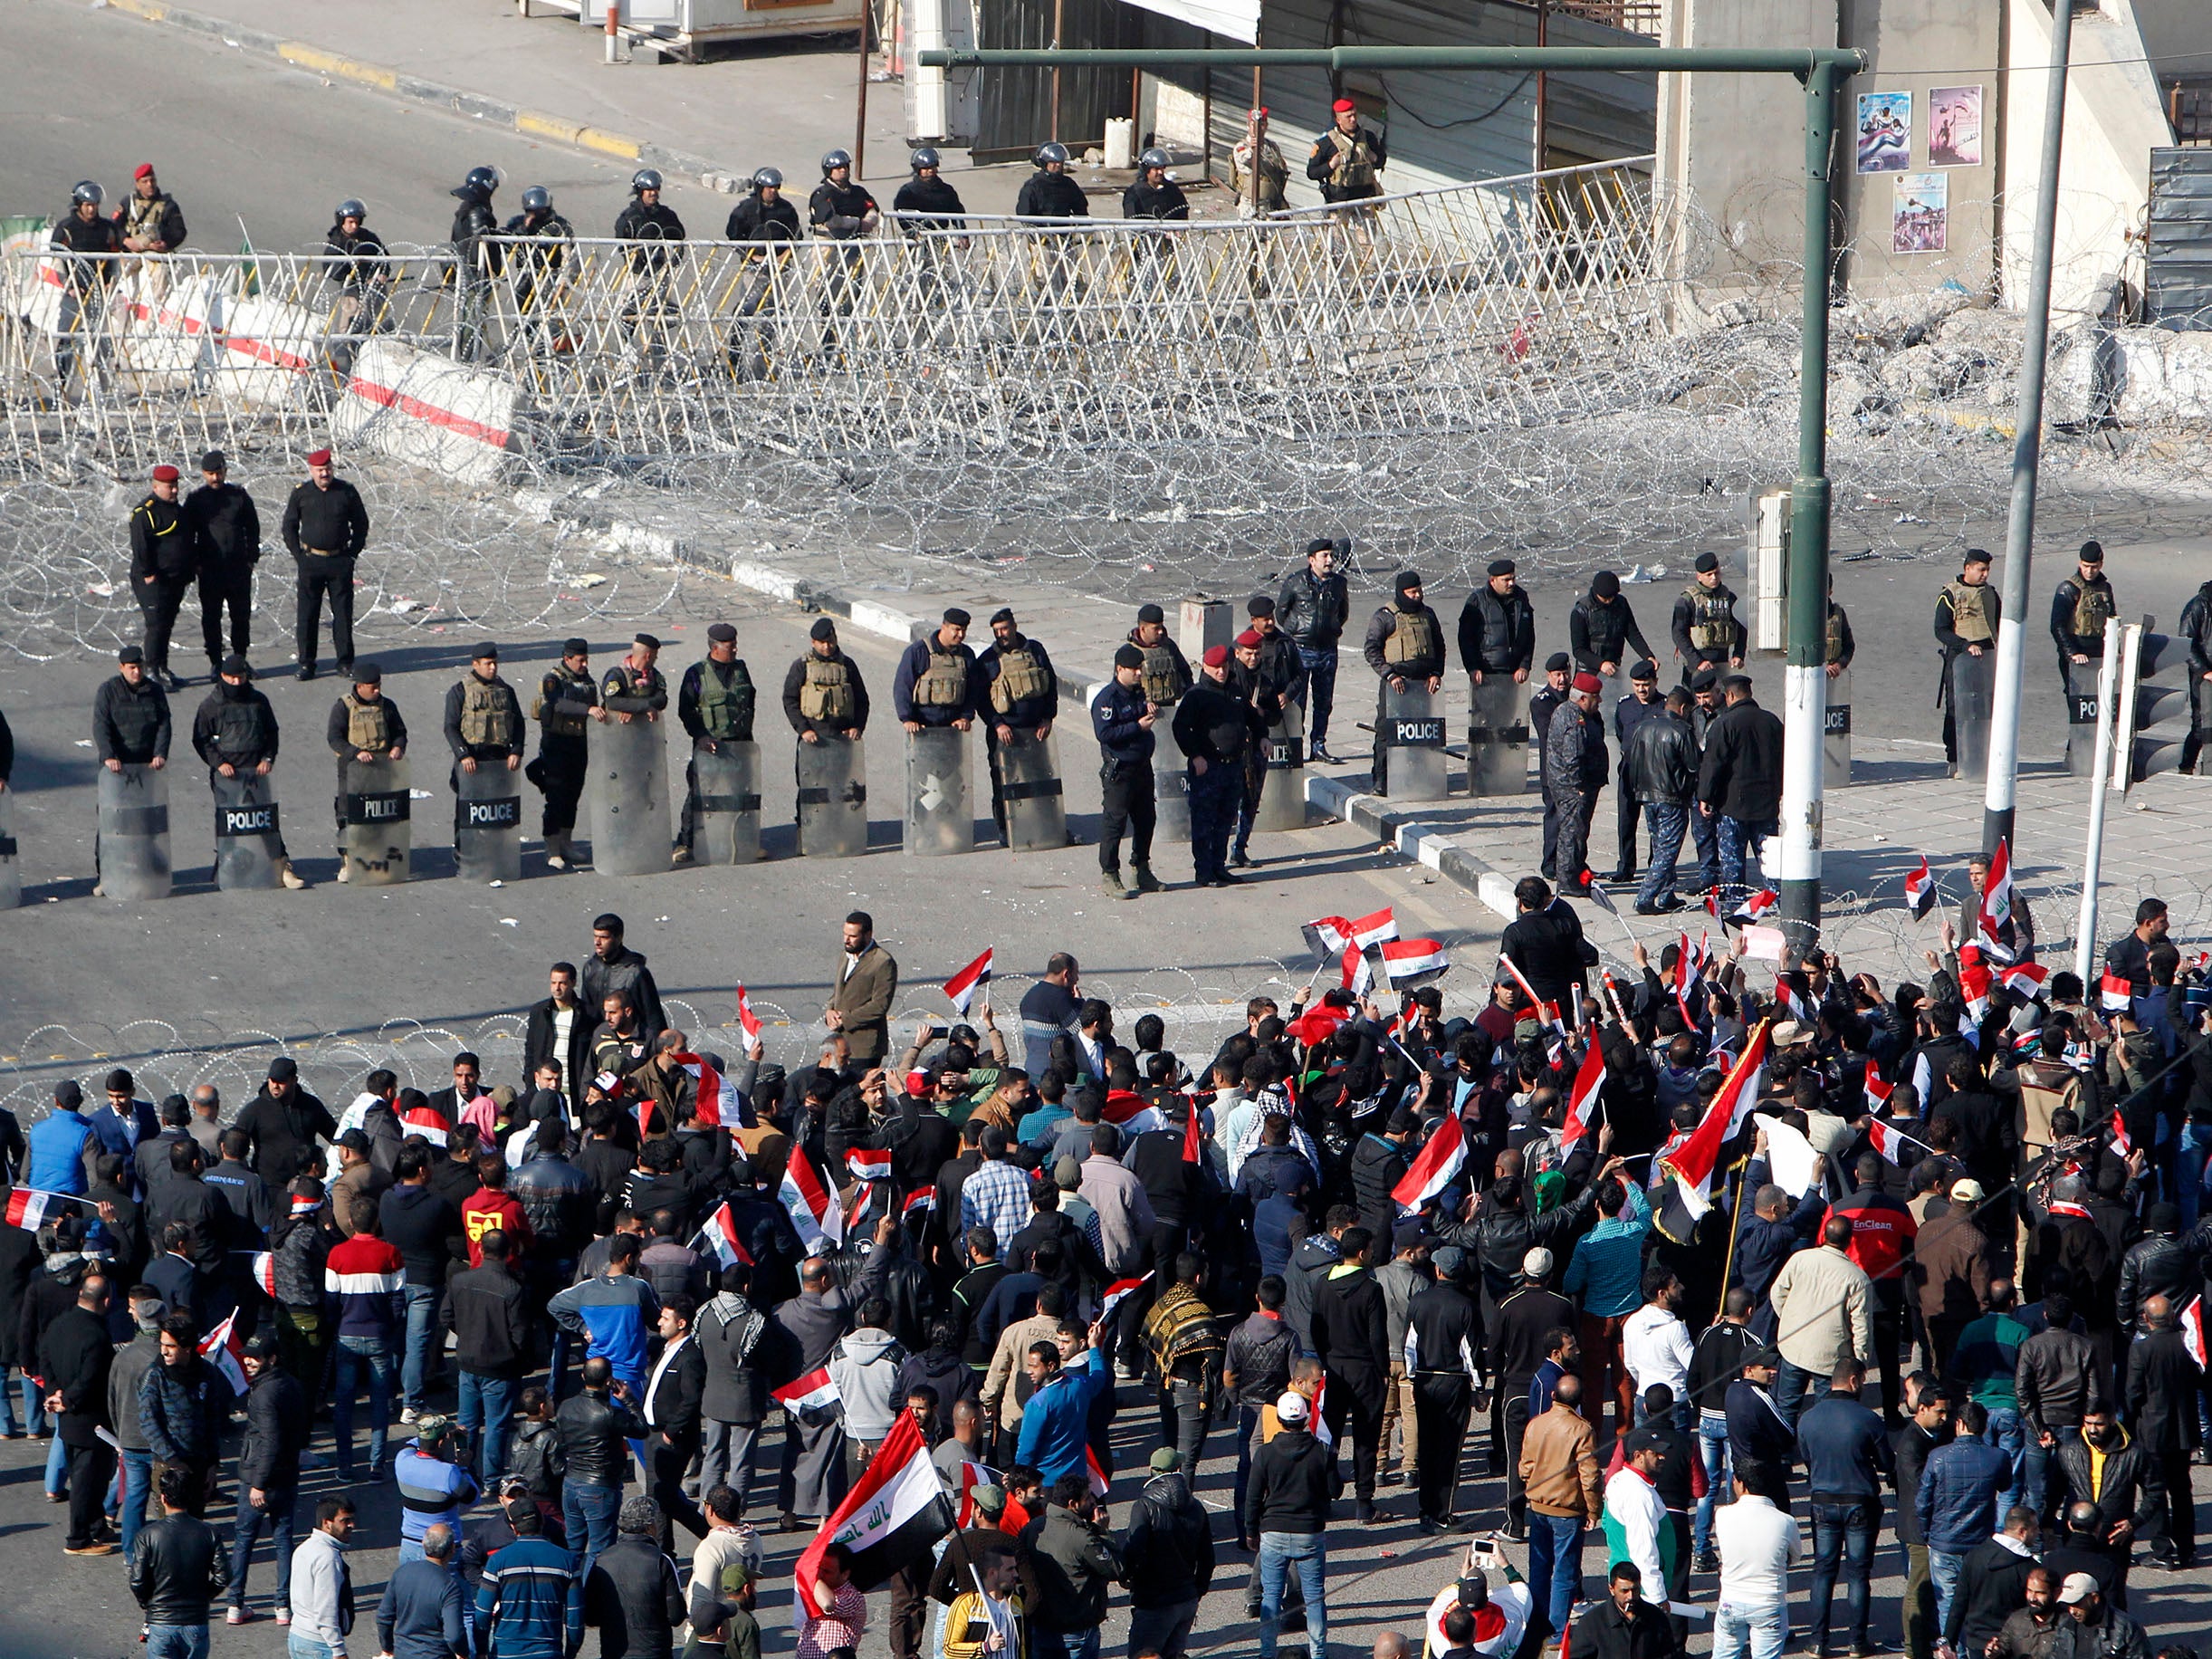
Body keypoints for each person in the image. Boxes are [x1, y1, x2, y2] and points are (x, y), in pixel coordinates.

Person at [1795, 1360, 1892, 1656]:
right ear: (1853, 1381)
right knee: (1858, 1573)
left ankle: (1817, 1641)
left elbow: (1808, 1460)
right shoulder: (1868, 1419)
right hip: (1860, 1501)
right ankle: (1856, 1641)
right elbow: (1886, 1464)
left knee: (1823, 1570)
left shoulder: (1808, 1419)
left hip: (1823, 1501)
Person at [194, 654, 307, 887]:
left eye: (241, 677)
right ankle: (225, 867)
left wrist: (268, 758)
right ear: (223, 676)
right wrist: (219, 763)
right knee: (229, 824)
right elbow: (201, 740)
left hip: (257, 773)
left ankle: (281, 866)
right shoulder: (211, 705)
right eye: (232, 678)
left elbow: (271, 732)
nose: (236, 682)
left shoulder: (258, 701)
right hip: (228, 776)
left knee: (266, 823)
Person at [1249, 1388, 1338, 1659]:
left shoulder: (1265, 1453)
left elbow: (1252, 1497)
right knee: (1313, 1598)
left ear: (1279, 1419)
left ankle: (1267, 1653)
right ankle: (1318, 1653)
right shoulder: (1320, 1451)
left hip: (1274, 1531)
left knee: (1271, 1597)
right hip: (1309, 1532)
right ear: (1305, 1418)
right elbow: (1335, 1490)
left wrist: (1251, 1530)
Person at [1173, 642, 1271, 887]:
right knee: (1204, 821)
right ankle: (1204, 871)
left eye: (1224, 667)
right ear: (1205, 667)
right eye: (1216, 668)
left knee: (1226, 820)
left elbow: (1252, 717)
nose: (1221, 672)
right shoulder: (1197, 695)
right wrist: (1195, 755)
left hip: (1233, 766)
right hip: (1209, 767)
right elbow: (1181, 728)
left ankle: (1219, 866)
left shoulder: (1235, 691)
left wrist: (1263, 737)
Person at [228, 1331, 310, 1625]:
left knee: (244, 1539)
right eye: (247, 1356)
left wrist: (258, 1483)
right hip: (287, 1475)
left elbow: (270, 1440)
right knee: (283, 1539)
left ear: (271, 1359)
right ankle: (283, 1606)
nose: (248, 1361)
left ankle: (236, 1603)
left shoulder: (263, 1394)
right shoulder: (292, 1385)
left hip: (259, 1480)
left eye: (255, 1357)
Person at [1405, 1245, 1480, 1533]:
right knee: (1449, 1449)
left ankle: (1425, 1509)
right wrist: (1479, 1387)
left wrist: (1414, 1378)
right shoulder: (1465, 1306)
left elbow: (1409, 1345)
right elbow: (1471, 1352)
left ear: (1438, 1270)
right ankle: (1443, 1511)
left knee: (1427, 1445)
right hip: (1453, 1380)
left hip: (1425, 1379)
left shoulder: (1419, 1301)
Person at [1521, 1371, 1604, 1634]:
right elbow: (1589, 1475)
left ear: (1554, 1396)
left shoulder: (1536, 1424)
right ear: (1579, 1400)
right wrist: (1593, 1509)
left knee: (1539, 1568)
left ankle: (1536, 1623)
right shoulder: (1582, 1429)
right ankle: (1556, 1630)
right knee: (1565, 1572)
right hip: (1568, 1509)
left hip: (1537, 1505)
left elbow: (1524, 1467)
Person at [91, 644, 174, 897]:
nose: (136, 673)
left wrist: (160, 754)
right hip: (117, 770)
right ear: (122, 668)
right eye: (131, 668)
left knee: (146, 822)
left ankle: (147, 869)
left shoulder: (155, 692)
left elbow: (164, 724)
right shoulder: (109, 691)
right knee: (113, 822)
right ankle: (106, 874)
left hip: (146, 768)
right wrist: (109, 756)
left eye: (140, 668)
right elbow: (101, 726)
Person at [43, 1271, 116, 1555]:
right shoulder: (97, 1334)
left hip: (67, 1415)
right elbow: (91, 1377)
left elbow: (45, 1357)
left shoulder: (59, 1324)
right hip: (90, 1418)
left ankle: (97, 1526)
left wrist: (54, 1393)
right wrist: (68, 1399)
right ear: (106, 1301)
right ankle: (78, 1538)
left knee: (89, 1476)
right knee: (87, 1480)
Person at [280, 449, 369, 682]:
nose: (324, 473)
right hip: (311, 562)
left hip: (339, 560)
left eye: (327, 468)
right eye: (319, 470)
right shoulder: (302, 494)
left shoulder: (346, 492)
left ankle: (345, 662)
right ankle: (306, 663)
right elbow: (289, 525)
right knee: (307, 615)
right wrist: (299, 555)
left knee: (342, 614)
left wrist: (352, 554)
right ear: (311, 471)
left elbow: (361, 523)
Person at [1696, 675, 1785, 906]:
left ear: (1731, 696)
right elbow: (1783, 760)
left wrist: (1705, 796)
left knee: (1733, 862)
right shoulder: (1772, 722)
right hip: (1766, 803)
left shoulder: (1725, 724)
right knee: (1770, 858)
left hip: (1733, 805)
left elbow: (1713, 763)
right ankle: (1779, 901)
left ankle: (1735, 904)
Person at [2122, 1293, 2197, 1568]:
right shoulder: (2185, 1343)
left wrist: (2129, 1423)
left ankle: (2162, 1550)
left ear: (2145, 1318)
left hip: (2152, 1429)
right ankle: (2187, 1548)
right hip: (2182, 1429)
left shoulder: (2142, 1350)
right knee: (2182, 1490)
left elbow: (2133, 1392)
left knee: (2155, 1491)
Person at [673, 623, 757, 865]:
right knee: (700, 794)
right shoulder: (696, 674)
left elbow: (748, 702)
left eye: (735, 645)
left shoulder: (741, 670)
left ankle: (743, 841)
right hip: (710, 745)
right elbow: (685, 710)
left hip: (739, 743)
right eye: (730, 647)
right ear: (715, 648)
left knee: (742, 794)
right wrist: (700, 736)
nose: (735, 650)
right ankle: (686, 843)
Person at [132, 1463, 230, 1659]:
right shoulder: (209, 1532)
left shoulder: (148, 1535)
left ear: (163, 1498)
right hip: (196, 1621)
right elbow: (223, 1576)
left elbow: (137, 1581)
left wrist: (149, 1603)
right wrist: (203, 1597)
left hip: (161, 1622)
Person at [1363, 571, 1446, 795]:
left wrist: (1437, 673)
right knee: (1386, 731)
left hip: (1424, 685)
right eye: (1412, 592)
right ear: (1401, 593)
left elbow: (1439, 647)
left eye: (1419, 591)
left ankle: (1420, 776)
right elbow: (1371, 649)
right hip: (1396, 685)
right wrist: (1389, 674)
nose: (1417, 596)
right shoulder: (1385, 616)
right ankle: (1382, 780)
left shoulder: (1428, 614)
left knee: (1423, 732)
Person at [478, 1494, 587, 1659]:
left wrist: (481, 1651)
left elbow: (482, 1614)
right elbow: (575, 1618)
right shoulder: (568, 1561)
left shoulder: (497, 1561)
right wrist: (570, 1652)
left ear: (514, 1528)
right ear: (542, 1522)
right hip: (549, 1652)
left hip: (506, 1652)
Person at [324, 662, 407, 878]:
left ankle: (378, 859)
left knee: (380, 815)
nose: (377, 690)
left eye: (379, 685)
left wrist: (398, 747)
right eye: (373, 687)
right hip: (353, 770)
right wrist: (355, 752)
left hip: (381, 769)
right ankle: (348, 860)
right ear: (359, 686)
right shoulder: (344, 706)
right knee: (348, 814)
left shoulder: (387, 706)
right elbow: (335, 738)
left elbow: (399, 731)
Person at [1622, 686, 1698, 915]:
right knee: (1667, 850)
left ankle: (1666, 894)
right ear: (1683, 709)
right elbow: (1694, 766)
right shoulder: (1681, 731)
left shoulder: (1643, 727)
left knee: (1659, 844)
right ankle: (1646, 897)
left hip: (1647, 796)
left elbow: (1631, 761)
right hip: (1671, 797)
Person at [1094, 645, 1162, 899]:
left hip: (1143, 768)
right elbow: (1105, 734)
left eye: (1140, 668)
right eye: (1133, 669)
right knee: (1115, 823)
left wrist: (1151, 711)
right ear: (1119, 669)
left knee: (1146, 820)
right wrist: (1137, 727)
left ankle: (1141, 868)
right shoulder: (1107, 699)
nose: (1138, 673)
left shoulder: (1138, 693)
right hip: (1120, 770)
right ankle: (1110, 874)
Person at [582, 1497, 687, 1659]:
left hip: (614, 1651)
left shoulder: (601, 1560)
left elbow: (590, 1616)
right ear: (651, 1526)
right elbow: (676, 1616)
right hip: (654, 1651)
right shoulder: (661, 1561)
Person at [527, 638, 598, 869]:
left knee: (573, 796)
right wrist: (587, 709)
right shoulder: (553, 680)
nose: (584, 664)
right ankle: (552, 847)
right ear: (567, 659)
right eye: (580, 660)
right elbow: (558, 704)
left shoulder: (587, 682)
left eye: (586, 659)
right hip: (556, 743)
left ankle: (566, 842)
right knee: (556, 797)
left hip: (579, 744)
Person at [47, 180, 124, 390]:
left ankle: (104, 388)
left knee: (101, 341)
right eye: (88, 205)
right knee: (68, 339)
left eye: (95, 205)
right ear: (79, 205)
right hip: (74, 295)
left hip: (99, 293)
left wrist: (111, 282)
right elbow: (57, 260)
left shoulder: (107, 229)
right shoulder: (67, 228)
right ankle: (61, 386)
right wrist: (69, 286)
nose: (92, 210)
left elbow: (115, 257)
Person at [1712, 1478, 1801, 1659]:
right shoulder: (1786, 1521)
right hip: (1768, 1604)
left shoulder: (1723, 1515)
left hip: (1731, 1601)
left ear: (1742, 1484)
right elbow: (1796, 1555)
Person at [129, 462, 195, 690]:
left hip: (175, 578)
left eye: (176, 486)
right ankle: (151, 670)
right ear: (156, 487)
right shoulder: (145, 513)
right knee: (156, 625)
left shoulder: (179, 510)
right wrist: (148, 573)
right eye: (169, 487)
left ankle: (163, 668)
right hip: (153, 579)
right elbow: (140, 547)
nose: (174, 490)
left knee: (166, 624)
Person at [1934, 550, 1999, 775]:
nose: (1985, 574)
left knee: (1984, 709)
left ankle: (1981, 756)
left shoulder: (1990, 593)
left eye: (1987, 570)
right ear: (1967, 569)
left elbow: (1998, 623)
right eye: (1981, 569)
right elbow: (1940, 630)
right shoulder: (1950, 594)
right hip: (1960, 659)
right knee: (1958, 709)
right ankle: (1955, 757)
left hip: (1986, 658)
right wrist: (1964, 645)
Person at [1945, 1506, 2042, 1656]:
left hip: (1976, 1642)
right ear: (2022, 1532)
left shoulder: (1975, 1556)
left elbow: (1959, 1601)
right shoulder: (2029, 1570)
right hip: (2011, 1645)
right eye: (2035, 1529)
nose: (2038, 1533)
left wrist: (1948, 1641)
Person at [1543, 673, 1607, 892]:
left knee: (1577, 831)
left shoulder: (1566, 711)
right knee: (1573, 833)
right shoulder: (1575, 720)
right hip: (1573, 788)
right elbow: (1573, 756)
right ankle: (1569, 881)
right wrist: (1578, 787)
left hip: (1567, 784)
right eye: (1595, 697)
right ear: (1582, 699)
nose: (1599, 701)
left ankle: (1578, 870)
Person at [377, 1521, 467, 1659]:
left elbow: (384, 1617)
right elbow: (453, 1635)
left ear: (424, 1544)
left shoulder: (402, 1572)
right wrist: (463, 1653)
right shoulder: (449, 1587)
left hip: (403, 1653)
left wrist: (387, 1648)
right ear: (452, 1549)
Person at [826, 911, 899, 1068]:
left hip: (864, 1049)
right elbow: (840, 991)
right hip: (839, 1044)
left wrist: (845, 1020)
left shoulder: (882, 962)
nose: (846, 940)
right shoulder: (845, 956)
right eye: (844, 934)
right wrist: (830, 1010)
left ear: (868, 935)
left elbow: (880, 1005)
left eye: (853, 936)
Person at [290, 1496, 359, 1659]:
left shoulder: (305, 1548)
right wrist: (338, 1650)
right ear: (326, 1523)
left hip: (298, 1637)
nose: (352, 1525)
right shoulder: (328, 1557)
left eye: (352, 1520)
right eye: (345, 1520)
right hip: (319, 1644)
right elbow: (326, 1609)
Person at [1459, 559, 1537, 703]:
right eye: (1506, 580)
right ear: (1493, 581)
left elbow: (1529, 636)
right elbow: (1466, 639)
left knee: (1511, 720)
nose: (1511, 583)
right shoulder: (1478, 601)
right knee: (1486, 721)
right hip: (1487, 674)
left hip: (1514, 675)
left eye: (1513, 578)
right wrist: (1473, 667)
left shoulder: (1521, 598)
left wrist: (1525, 665)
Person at [2049, 543, 2118, 699]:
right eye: (2085, 566)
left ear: (2101, 565)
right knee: (2077, 698)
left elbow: (2112, 620)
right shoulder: (2068, 588)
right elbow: (2057, 625)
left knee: (2102, 698)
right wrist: (2072, 653)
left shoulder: (2105, 588)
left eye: (2094, 567)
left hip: (2099, 653)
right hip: (2077, 650)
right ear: (2080, 563)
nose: (2089, 571)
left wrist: (2115, 649)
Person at [1567, 1561, 1677, 1659]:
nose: (1631, 1596)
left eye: (1635, 1589)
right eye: (1624, 1591)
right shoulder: (1592, 1623)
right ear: (1612, 1589)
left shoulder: (1656, 1618)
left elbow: (1668, 1654)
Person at [1307, 98, 1387, 219]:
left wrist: (1374, 158)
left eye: (1354, 115)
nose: (1353, 119)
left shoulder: (1368, 137)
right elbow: (1312, 172)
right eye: (1348, 117)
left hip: (1364, 199)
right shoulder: (1326, 143)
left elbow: (1382, 160)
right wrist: (1331, 165)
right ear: (1338, 120)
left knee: (1366, 237)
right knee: (1337, 236)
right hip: (1338, 200)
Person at [1671, 551, 1744, 682]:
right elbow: (1678, 633)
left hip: (1722, 663)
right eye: (1709, 575)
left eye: (1716, 573)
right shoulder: (1687, 601)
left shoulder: (1729, 598)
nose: (1714, 578)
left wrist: (1738, 655)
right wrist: (1698, 661)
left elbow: (1741, 627)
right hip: (1696, 665)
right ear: (1699, 577)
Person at [2049, 1572, 2149, 1659]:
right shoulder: (2064, 1624)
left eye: (2077, 1604)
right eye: (2069, 1605)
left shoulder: (2126, 1627)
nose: (2072, 1611)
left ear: (2095, 1598)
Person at [797, 1542, 868, 1659]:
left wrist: (813, 1577)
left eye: (827, 1571)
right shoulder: (817, 1592)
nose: (820, 1574)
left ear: (845, 1574)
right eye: (818, 1568)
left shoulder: (853, 1596)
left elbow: (828, 1604)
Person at [116, 161, 187, 251]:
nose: (150, 185)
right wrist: (125, 240)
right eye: (145, 182)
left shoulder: (168, 205)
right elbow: (114, 226)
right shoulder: (128, 203)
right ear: (138, 185)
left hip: (156, 254)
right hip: (130, 252)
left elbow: (179, 231)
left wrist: (166, 244)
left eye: (152, 180)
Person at [1015, 144, 1088, 220]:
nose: (1058, 165)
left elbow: (1081, 211)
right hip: (1039, 230)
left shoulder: (1068, 184)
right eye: (1053, 162)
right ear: (1045, 163)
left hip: (1065, 229)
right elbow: (1025, 216)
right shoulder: (1032, 187)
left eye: (1060, 162)